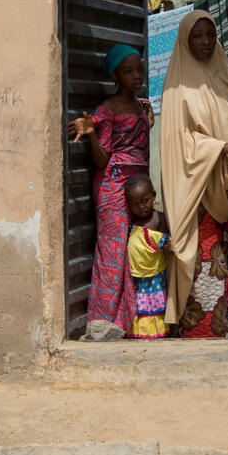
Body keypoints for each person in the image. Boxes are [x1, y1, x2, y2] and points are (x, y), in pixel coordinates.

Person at [160, 10, 228, 338]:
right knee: (206, 272)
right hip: (201, 195)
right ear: (186, 41)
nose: (205, 42)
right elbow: (180, 144)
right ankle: (202, 339)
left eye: (210, 35)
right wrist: (222, 147)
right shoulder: (178, 90)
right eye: (197, 36)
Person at [67, 44, 152, 341]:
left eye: (139, 69)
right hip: (113, 187)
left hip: (136, 188)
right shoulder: (107, 110)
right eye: (128, 71)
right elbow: (102, 160)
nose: (136, 76)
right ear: (115, 74)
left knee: (131, 250)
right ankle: (101, 323)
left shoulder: (142, 107)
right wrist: (91, 136)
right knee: (112, 253)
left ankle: (125, 321)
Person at [124, 174, 170, 340]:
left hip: (154, 276)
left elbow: (166, 244)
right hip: (136, 276)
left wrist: (168, 246)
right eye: (135, 204)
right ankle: (138, 333)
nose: (141, 207)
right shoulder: (130, 221)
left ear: (154, 196)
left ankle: (157, 334)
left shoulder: (159, 218)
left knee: (154, 307)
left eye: (145, 200)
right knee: (140, 306)